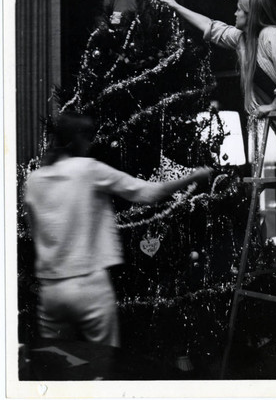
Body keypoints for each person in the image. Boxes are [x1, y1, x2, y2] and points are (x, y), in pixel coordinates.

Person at [24, 111, 212, 347]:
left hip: (51, 291)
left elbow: (35, 233)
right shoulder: (90, 170)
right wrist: (193, 177)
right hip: (89, 286)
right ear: (79, 138)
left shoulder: (34, 180)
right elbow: (148, 193)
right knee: (100, 360)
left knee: (58, 361)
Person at [160, 0, 276, 130]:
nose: (235, 13)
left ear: (250, 15)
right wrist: (177, 7)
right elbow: (210, 27)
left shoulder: (271, 34)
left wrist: (273, 105)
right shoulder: (243, 39)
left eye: (239, 9)